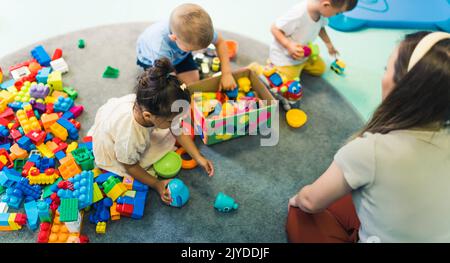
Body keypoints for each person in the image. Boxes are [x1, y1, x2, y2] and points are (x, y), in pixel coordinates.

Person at [287, 31, 450, 242]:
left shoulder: (369, 150)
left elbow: (310, 202)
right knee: (350, 192)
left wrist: (299, 197)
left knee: (300, 213)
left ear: (404, 89)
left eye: (386, 69)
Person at [88, 58, 215, 205]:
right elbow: (130, 166)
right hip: (116, 144)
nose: (176, 122)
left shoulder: (148, 103)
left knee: (167, 132)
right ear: (148, 116)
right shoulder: (131, 137)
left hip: (121, 117)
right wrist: (156, 184)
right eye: (170, 120)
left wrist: (197, 156)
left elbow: (177, 129)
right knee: (151, 156)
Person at [136, 3, 236, 90]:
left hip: (179, 56)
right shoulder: (160, 48)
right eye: (191, 49)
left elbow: (221, 42)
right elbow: (166, 74)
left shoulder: (200, 32)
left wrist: (227, 73)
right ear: (174, 38)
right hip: (152, 59)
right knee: (164, 88)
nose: (198, 51)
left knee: (192, 83)